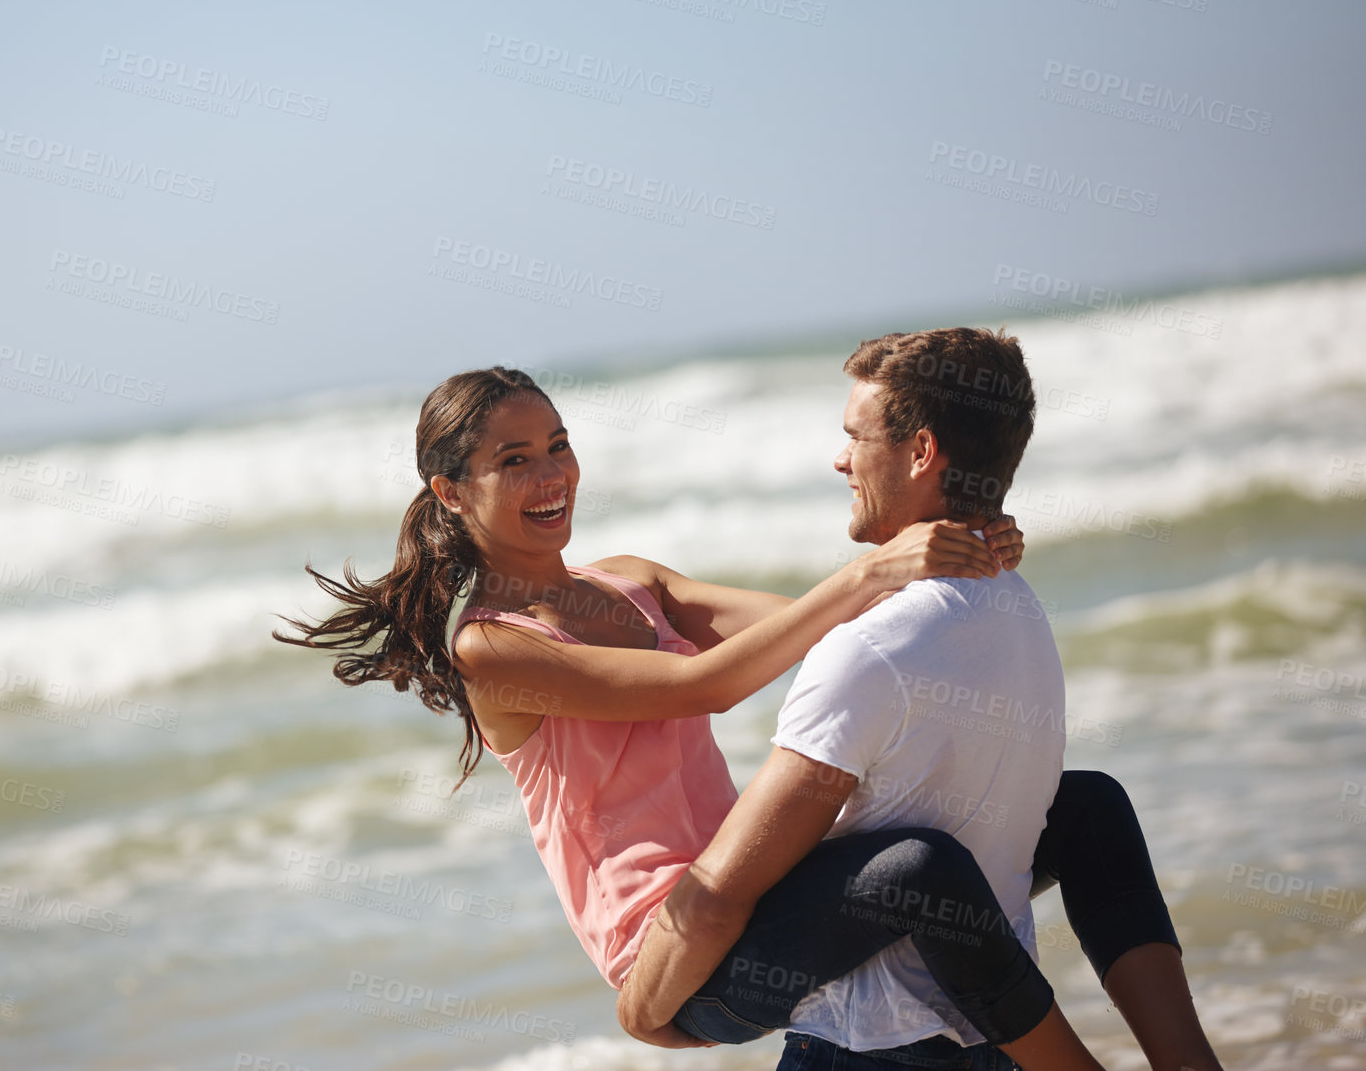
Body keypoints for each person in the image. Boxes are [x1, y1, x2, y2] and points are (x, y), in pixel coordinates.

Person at [274, 353, 1219, 1069]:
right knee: (912, 872)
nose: (551, 474)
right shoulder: (491, 647)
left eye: (558, 444)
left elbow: (831, 633)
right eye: (512, 460)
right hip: (681, 949)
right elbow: (707, 685)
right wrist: (870, 569)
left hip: (761, 891)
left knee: (1089, 805)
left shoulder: (632, 581)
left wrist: (958, 544)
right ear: (452, 490)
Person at [614, 329, 1223, 1070]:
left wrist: (643, 1016)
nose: (840, 459)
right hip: (987, 1039)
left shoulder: (868, 652)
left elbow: (722, 891)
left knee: (918, 865)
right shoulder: (1019, 606)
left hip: (861, 1044)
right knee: (1088, 804)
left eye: (854, 437)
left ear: (922, 452)